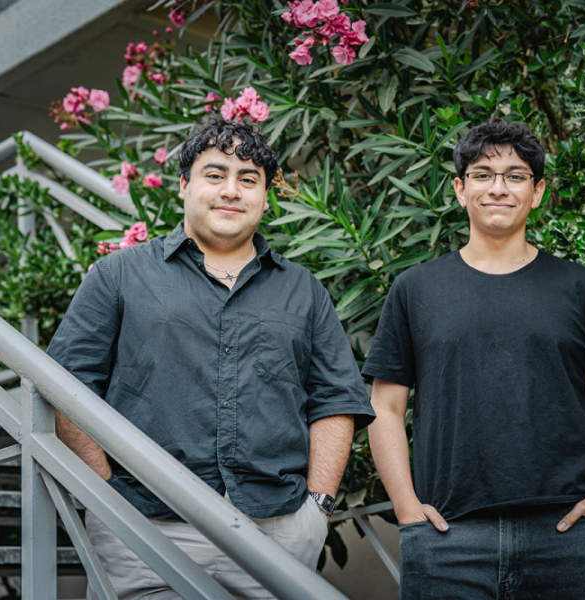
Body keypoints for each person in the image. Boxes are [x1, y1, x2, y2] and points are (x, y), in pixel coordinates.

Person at [47, 116, 374, 599]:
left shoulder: (304, 290)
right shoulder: (118, 275)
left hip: (277, 531)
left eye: (248, 180)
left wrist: (318, 507)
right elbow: (64, 386)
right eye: (215, 174)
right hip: (147, 525)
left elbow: (335, 402)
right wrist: (106, 494)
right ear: (184, 186)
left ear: (265, 197)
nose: (231, 191)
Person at [363, 120, 585, 599]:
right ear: (459, 189)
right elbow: (384, 408)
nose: (499, 188)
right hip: (447, 537)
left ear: (537, 193)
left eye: (515, 176)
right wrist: (407, 509)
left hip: (563, 534)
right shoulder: (416, 289)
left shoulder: (580, 287)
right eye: (482, 174)